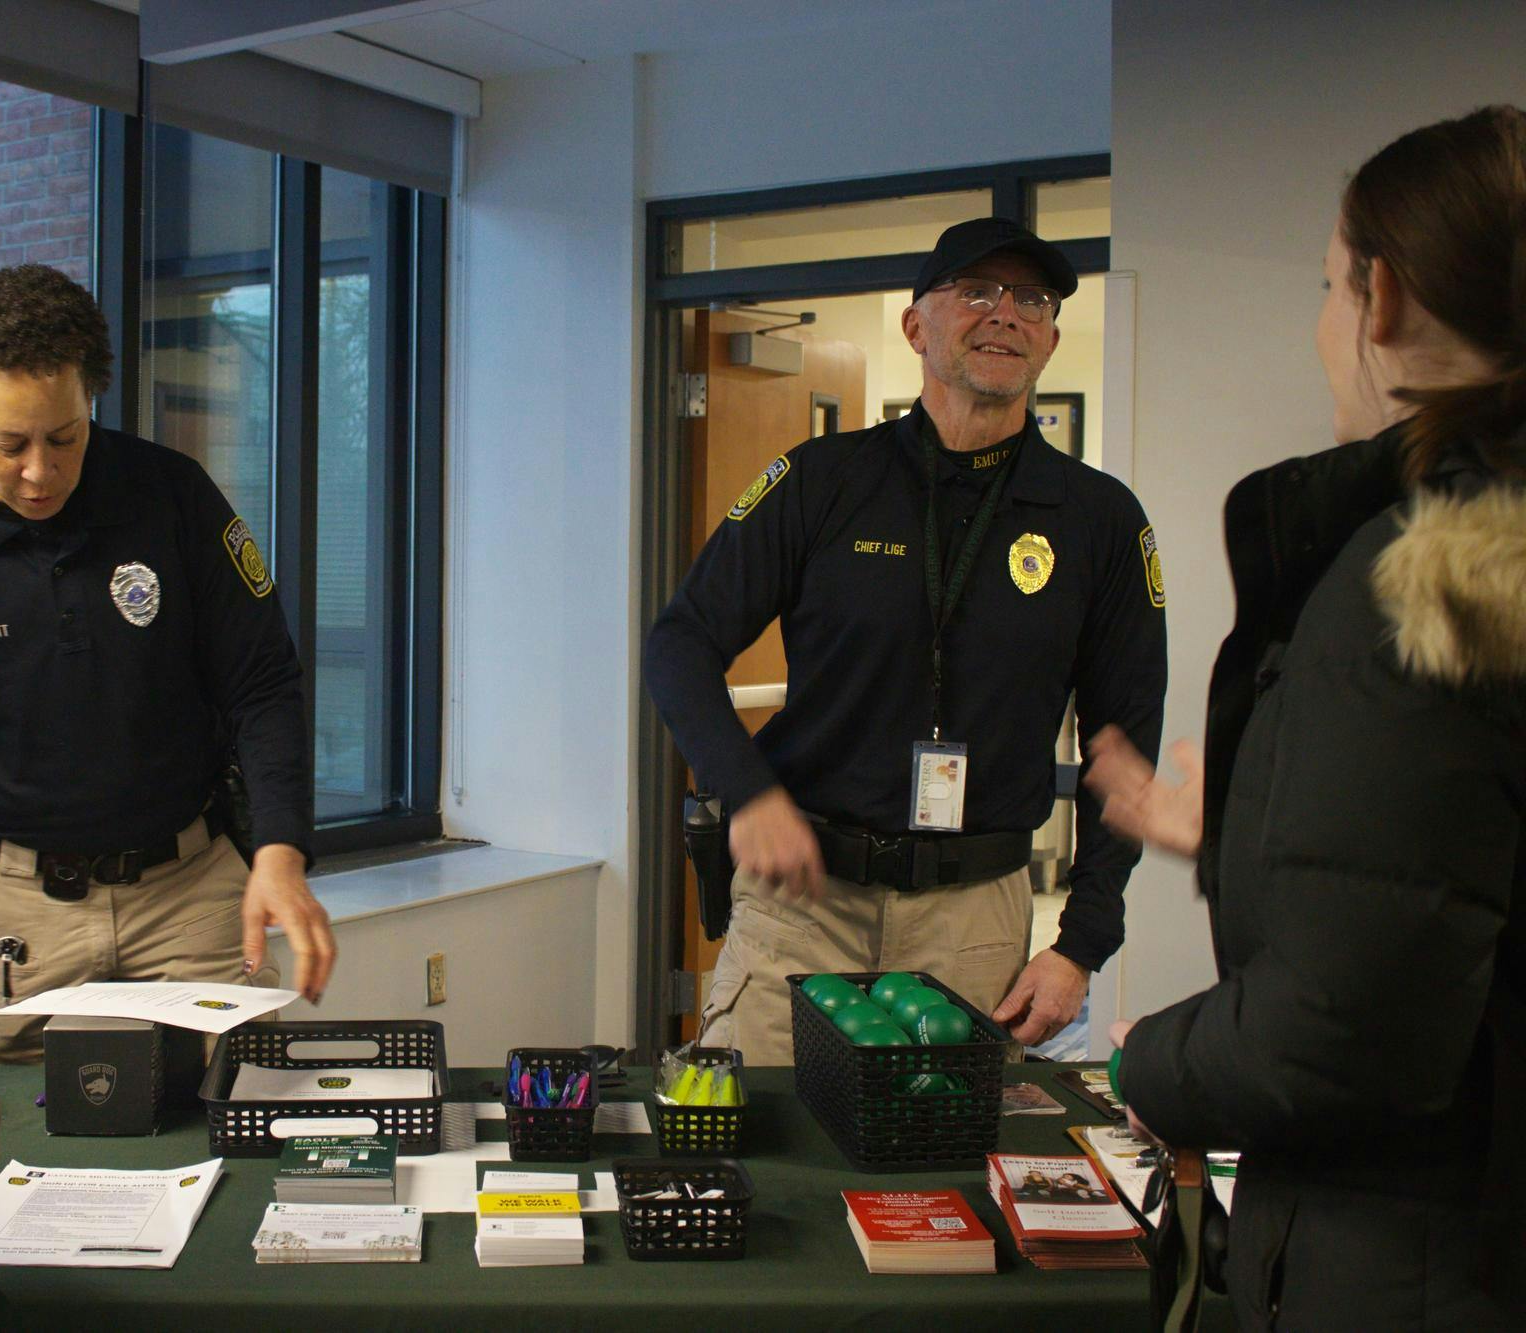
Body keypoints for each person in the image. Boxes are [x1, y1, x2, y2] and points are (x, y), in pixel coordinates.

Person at [1094, 106, 1526, 1328]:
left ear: (1379, 301)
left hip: (1425, 1265)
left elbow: (1345, 1035)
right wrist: (1238, 828)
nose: (1325, 324)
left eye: (1328, 286)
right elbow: (1451, 875)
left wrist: (1142, 1064)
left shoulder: (1429, 585)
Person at [645, 217, 1168, 1063]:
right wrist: (749, 790)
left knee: (942, 1174)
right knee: (767, 1152)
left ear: (1051, 338)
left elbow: (1126, 744)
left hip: (973, 920)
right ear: (915, 325)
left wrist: (1082, 942)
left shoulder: (1100, 519)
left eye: (1030, 299)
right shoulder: (824, 480)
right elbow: (681, 642)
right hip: (802, 901)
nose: (1006, 313)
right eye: (977, 291)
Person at [0, 264, 336, 1064]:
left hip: (191, 892)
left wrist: (280, 851)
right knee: (5, 1146)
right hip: (17, 908)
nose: (40, 471)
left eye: (64, 437)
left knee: (236, 1111)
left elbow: (263, 682)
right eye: (10, 444)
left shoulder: (171, 496)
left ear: (89, 405)